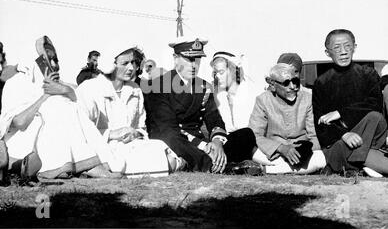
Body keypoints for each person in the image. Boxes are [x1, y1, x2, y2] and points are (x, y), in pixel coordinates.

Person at [0, 36, 117, 180]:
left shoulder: (57, 84)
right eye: (49, 59)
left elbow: (89, 111)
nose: (55, 65)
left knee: (66, 105)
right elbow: (19, 122)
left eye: (56, 60)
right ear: (35, 60)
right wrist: (45, 96)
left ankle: (82, 164)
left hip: (50, 141)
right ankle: (69, 166)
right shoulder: (16, 83)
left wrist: (66, 91)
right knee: (56, 106)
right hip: (21, 142)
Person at [145, 36, 263, 174]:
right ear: (175, 58)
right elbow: (168, 130)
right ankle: (215, 166)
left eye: (198, 59)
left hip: (202, 144)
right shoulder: (157, 86)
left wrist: (217, 143)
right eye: (189, 59)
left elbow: (214, 119)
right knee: (173, 139)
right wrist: (204, 146)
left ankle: (215, 160)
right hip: (176, 140)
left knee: (246, 134)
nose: (194, 65)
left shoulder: (203, 86)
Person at [76, 47, 185, 177]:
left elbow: (141, 126)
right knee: (168, 163)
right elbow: (81, 131)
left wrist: (136, 133)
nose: (131, 68)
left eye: (133, 62)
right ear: (110, 64)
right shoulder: (89, 89)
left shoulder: (135, 89)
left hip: (131, 145)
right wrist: (111, 134)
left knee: (163, 150)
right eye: (125, 63)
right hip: (102, 147)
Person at [313, 29, 388, 177]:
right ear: (328, 53)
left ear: (355, 47)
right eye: (337, 48)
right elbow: (320, 121)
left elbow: (375, 105)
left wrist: (341, 113)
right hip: (344, 141)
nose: (343, 52)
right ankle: (354, 164)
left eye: (347, 46)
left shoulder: (368, 74)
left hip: (371, 138)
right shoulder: (322, 82)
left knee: (374, 117)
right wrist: (344, 135)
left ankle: (339, 163)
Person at [249, 63, 326, 174]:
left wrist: (305, 152)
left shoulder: (307, 99)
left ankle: (266, 170)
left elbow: (314, 135)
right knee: (249, 146)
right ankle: (290, 168)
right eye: (286, 83)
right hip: (273, 153)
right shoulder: (263, 100)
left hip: (300, 153)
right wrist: (281, 148)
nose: (292, 86)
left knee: (320, 158)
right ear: (273, 85)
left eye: (295, 81)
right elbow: (254, 135)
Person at [210, 51, 270, 164]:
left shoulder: (254, 92)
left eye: (221, 72)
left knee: (246, 134)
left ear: (233, 71)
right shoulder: (217, 96)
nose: (217, 76)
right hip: (229, 143)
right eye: (215, 73)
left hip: (254, 141)